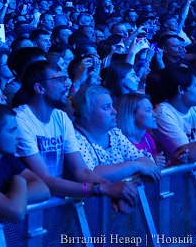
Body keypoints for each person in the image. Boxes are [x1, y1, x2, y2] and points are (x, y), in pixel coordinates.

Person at [14, 61, 137, 213]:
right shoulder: (20, 120)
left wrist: (111, 188)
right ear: (39, 88)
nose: (67, 84)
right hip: (27, 206)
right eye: (59, 80)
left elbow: (82, 171)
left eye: (65, 78)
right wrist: (103, 189)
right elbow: (44, 180)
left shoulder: (61, 117)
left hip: (55, 202)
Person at [72, 85, 163, 182]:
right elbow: (90, 174)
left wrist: (140, 165)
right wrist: (134, 166)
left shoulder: (114, 133)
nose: (114, 111)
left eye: (112, 106)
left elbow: (142, 159)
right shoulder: (75, 138)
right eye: (106, 107)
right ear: (87, 112)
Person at [115, 93, 161, 159]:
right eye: (148, 110)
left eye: (152, 109)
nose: (154, 114)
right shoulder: (120, 143)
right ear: (132, 115)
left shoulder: (147, 138)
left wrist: (172, 162)